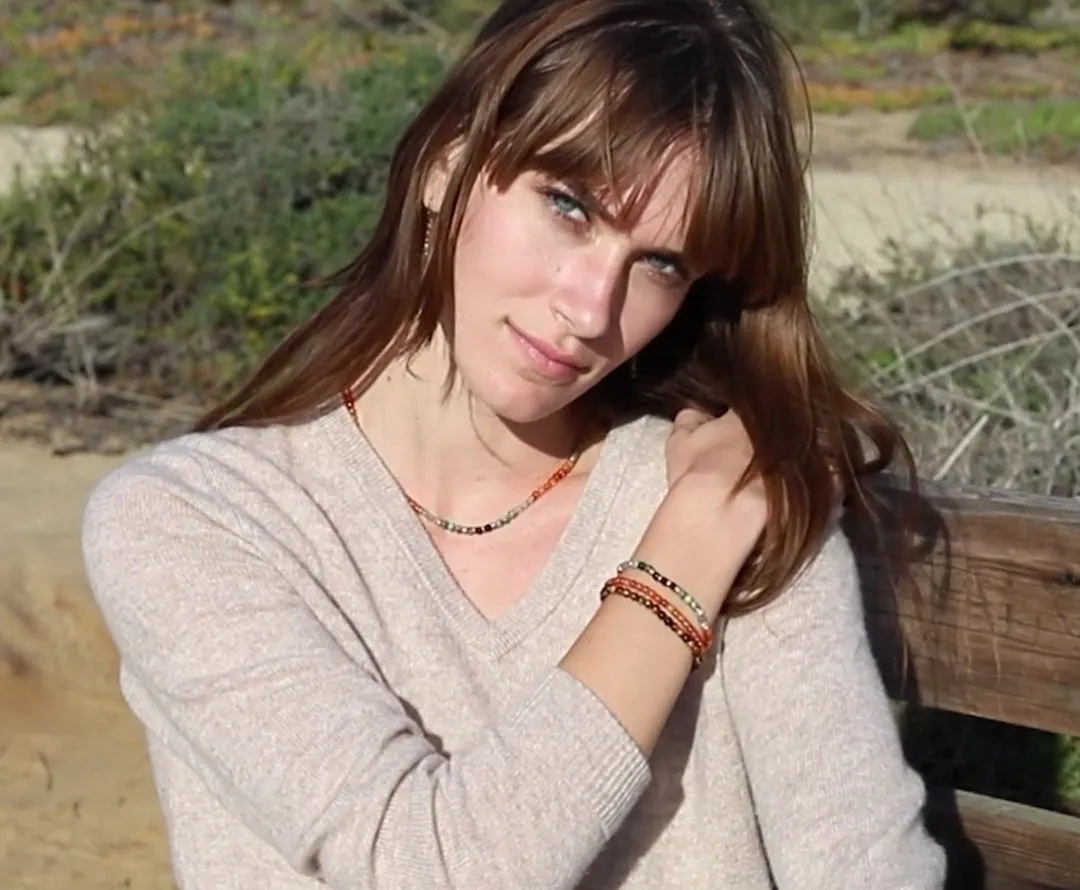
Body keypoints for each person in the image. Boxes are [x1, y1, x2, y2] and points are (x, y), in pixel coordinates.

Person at [80, 0, 948, 887]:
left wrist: (708, 516)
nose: (588, 308)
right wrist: (679, 563)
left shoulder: (731, 490)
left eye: (661, 265)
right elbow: (425, 869)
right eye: (568, 206)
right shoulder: (191, 523)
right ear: (446, 163)